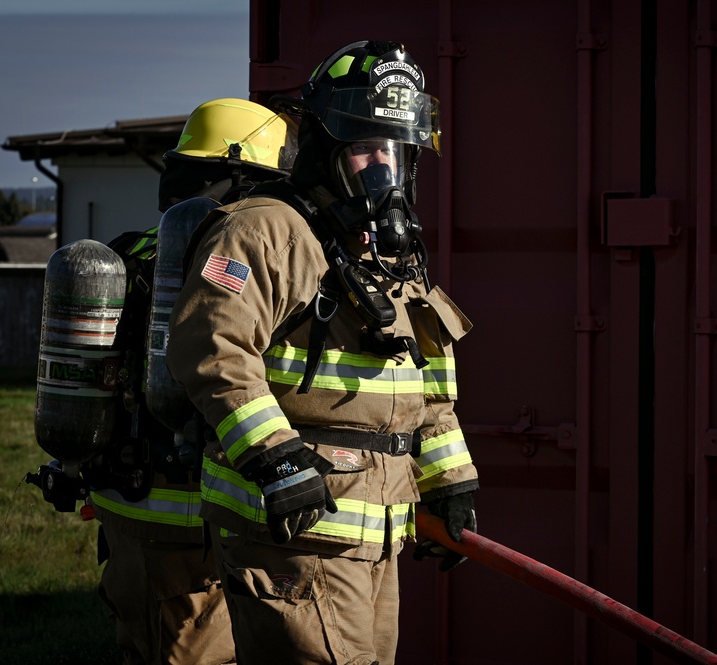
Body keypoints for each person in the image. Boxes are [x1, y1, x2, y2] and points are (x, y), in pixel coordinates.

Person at [166, 40, 479, 664]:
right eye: (366, 147)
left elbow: (425, 384)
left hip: (376, 539)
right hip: (296, 536)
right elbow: (213, 346)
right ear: (325, 149)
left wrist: (449, 481)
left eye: (395, 149)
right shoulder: (265, 230)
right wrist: (277, 459)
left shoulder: (388, 255)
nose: (383, 167)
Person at [29, 97, 295, 665]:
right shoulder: (233, 263)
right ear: (243, 177)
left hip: (132, 502)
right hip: (192, 514)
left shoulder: (131, 251)